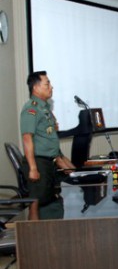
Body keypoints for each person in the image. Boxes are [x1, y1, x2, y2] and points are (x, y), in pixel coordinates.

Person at [20, 71, 74, 219]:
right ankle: (32, 233)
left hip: (49, 162)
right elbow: (27, 138)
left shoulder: (44, 109)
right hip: (38, 162)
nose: (51, 87)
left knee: (47, 202)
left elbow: (49, 138)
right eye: (47, 84)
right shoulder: (31, 109)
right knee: (35, 204)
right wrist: (33, 168)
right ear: (36, 87)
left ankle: (47, 231)